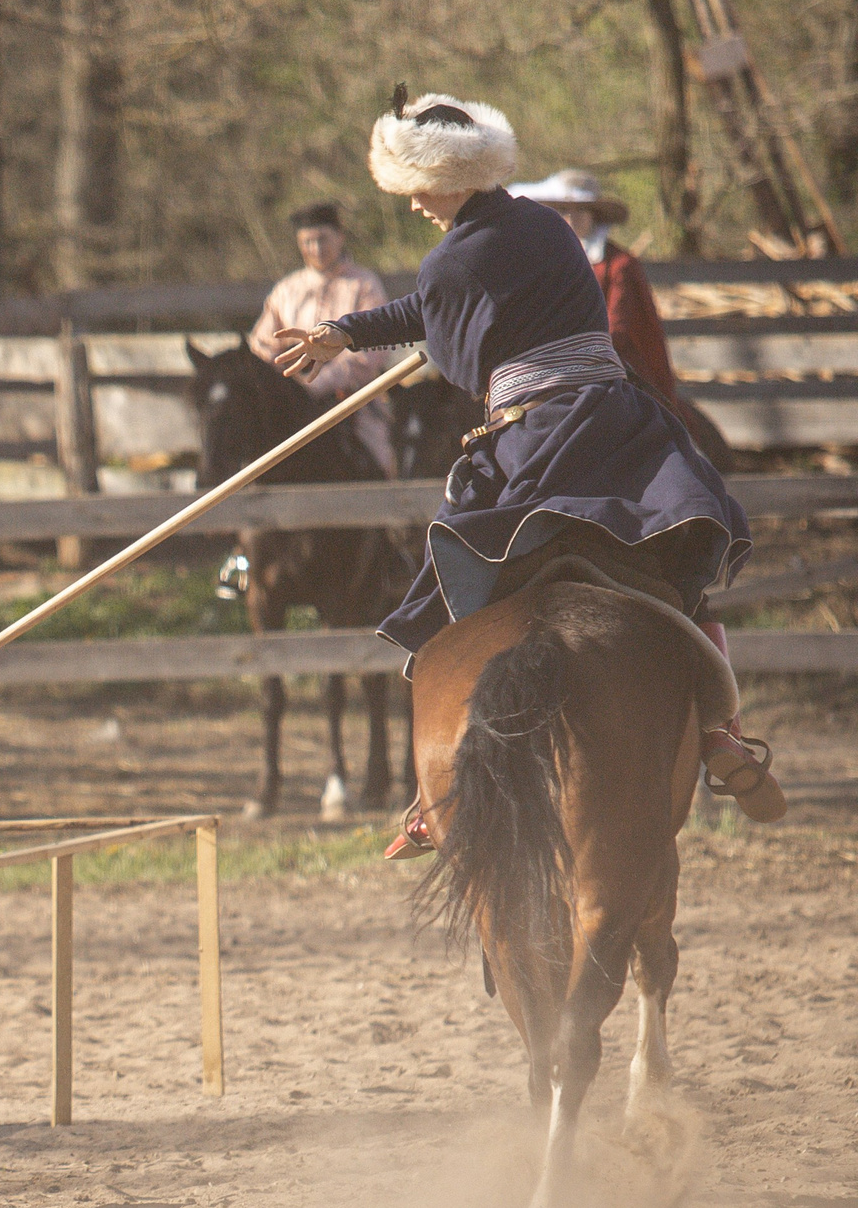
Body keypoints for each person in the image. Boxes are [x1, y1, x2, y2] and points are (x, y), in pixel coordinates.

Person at [270, 88, 781, 853]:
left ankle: (433, 792)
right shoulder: (540, 225)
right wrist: (345, 331)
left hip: (536, 438)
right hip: (615, 422)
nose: (411, 205)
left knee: (454, 584)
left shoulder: (452, 255)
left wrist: (373, 338)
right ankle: (720, 728)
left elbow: (451, 351)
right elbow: (431, 306)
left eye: (414, 186)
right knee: (675, 558)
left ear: (449, 172)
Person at [509, 169, 681, 406]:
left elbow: (619, 328)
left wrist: (574, 353)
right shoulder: (545, 262)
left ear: (594, 215)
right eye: (563, 211)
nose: (570, 218)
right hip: (552, 367)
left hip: (612, 368)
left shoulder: (619, 265)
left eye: (579, 211)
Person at [247, 201, 395, 476]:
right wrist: (286, 383)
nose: (315, 249)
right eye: (307, 241)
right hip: (290, 399)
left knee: (380, 454)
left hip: (350, 400)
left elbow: (372, 349)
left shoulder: (363, 285)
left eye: (322, 239)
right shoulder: (286, 290)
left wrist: (320, 383)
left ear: (340, 237)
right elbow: (262, 347)